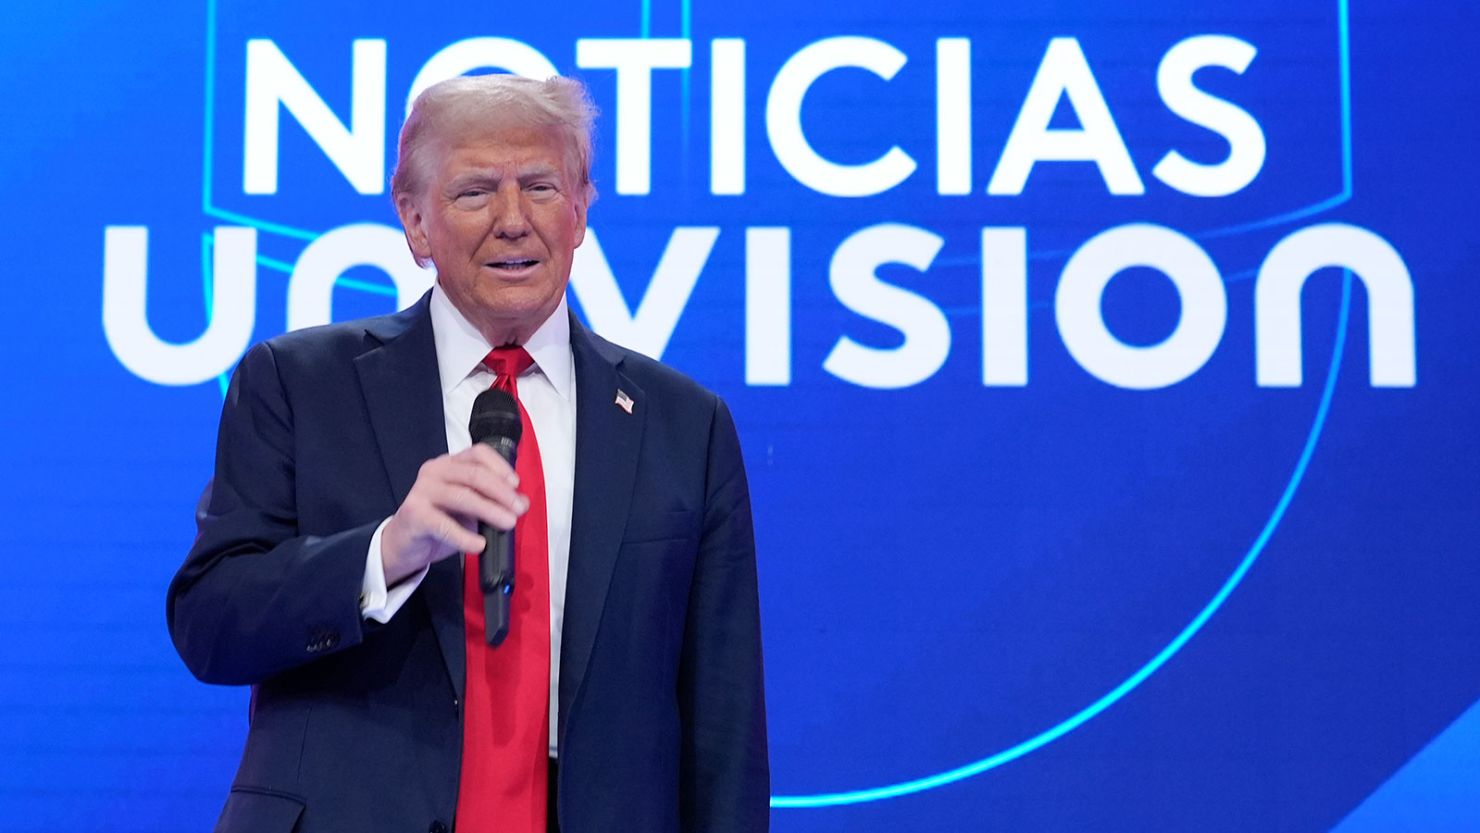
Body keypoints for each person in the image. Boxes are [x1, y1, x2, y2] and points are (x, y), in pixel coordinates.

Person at [167, 73, 769, 833]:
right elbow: (210, 623)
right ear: (415, 221)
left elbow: (724, 725)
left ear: (583, 207)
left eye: (542, 186)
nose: (514, 221)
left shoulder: (686, 425)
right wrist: (386, 551)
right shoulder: (298, 384)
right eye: (475, 192)